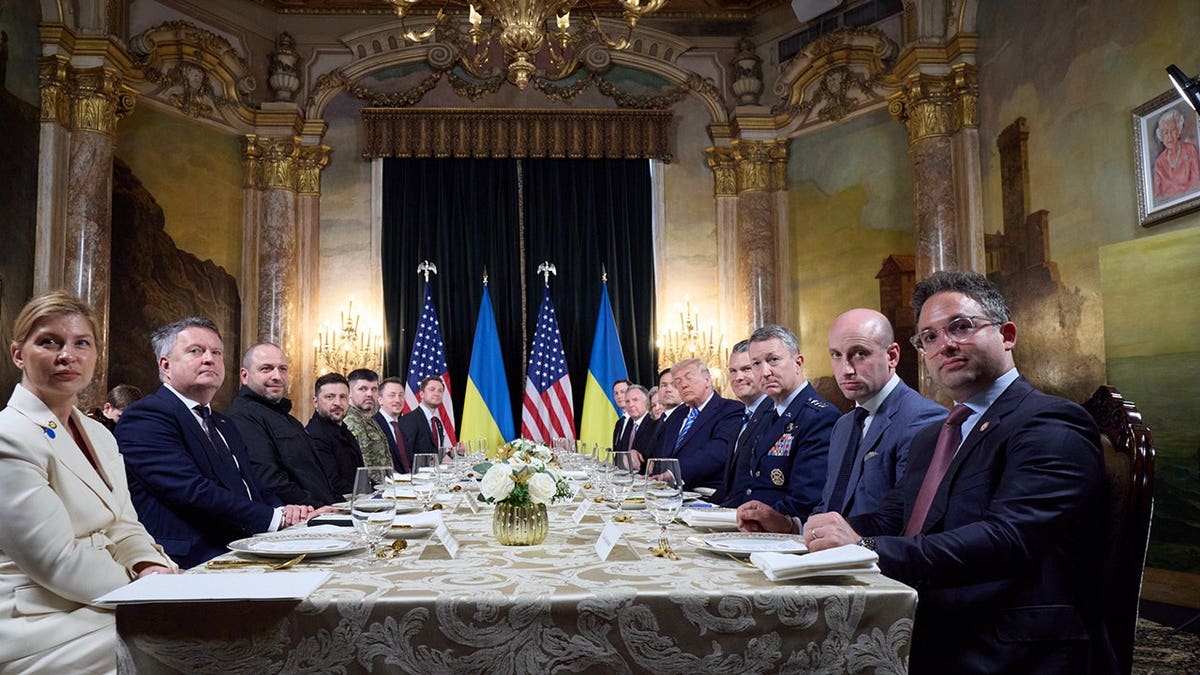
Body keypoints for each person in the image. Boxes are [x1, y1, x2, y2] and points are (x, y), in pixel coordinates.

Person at [798, 271, 1115, 673]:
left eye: (961, 327)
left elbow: (1008, 539)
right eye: (929, 337)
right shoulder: (935, 434)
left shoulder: (1049, 421)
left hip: (1006, 641)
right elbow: (892, 517)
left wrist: (867, 549)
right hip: (933, 613)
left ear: (1007, 335)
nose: (944, 344)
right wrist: (806, 537)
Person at [0, 292, 175, 673]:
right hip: (38, 620)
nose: (68, 355)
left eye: (82, 343)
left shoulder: (100, 435)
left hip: (101, 599)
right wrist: (143, 589)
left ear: (96, 355)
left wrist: (148, 565)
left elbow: (125, 524)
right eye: (49, 342)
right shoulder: (8, 435)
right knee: (189, 646)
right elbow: (55, 560)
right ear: (18, 354)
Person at [115, 317, 317, 569]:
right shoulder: (146, 416)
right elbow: (191, 490)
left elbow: (251, 487)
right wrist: (275, 518)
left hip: (243, 544)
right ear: (165, 366)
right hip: (188, 558)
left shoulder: (222, 422)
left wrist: (292, 512)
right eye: (195, 351)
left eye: (216, 352)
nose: (209, 359)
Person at [737, 309, 945, 531]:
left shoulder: (924, 419)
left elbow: (906, 522)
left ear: (892, 356)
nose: (845, 370)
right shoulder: (844, 425)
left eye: (859, 354)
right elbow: (829, 507)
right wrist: (789, 524)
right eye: (836, 355)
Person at [723, 325, 838, 516]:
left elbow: (805, 500)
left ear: (798, 363)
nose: (765, 372)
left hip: (783, 532)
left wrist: (752, 519)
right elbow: (750, 487)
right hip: (751, 525)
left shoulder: (819, 416)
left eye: (773, 360)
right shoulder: (767, 414)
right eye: (756, 364)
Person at [226, 343, 341, 507]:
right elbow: (268, 481)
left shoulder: (286, 417)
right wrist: (317, 507)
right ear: (245, 376)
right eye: (266, 369)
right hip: (300, 519)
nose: (277, 376)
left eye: (283, 369)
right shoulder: (242, 416)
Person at [652, 358, 743, 491]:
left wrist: (674, 474)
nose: (683, 385)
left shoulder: (730, 410)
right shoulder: (677, 415)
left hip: (706, 494)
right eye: (678, 382)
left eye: (689, 378)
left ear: (707, 380)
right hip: (666, 493)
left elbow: (717, 452)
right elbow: (661, 453)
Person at [717, 340, 769, 504]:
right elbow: (730, 486)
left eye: (747, 369)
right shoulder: (742, 418)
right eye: (733, 371)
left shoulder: (774, 415)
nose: (738, 377)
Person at [305, 372, 364, 495]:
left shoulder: (344, 430)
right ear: (315, 402)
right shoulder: (315, 436)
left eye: (343, 397)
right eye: (330, 397)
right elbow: (332, 483)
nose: (337, 403)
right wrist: (367, 494)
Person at [343, 368, 392, 470]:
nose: (370, 394)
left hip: (384, 484)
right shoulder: (350, 422)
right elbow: (362, 469)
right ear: (349, 392)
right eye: (363, 389)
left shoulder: (368, 419)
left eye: (374, 389)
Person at [1152, 106, 1200, 200]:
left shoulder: (1190, 150)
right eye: (1165, 133)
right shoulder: (1159, 163)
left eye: (1173, 130)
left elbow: (1197, 182)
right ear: (1161, 137)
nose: (1169, 136)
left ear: (1179, 131)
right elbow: (1157, 196)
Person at [398, 375, 448, 459]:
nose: (437, 393)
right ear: (421, 394)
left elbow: (436, 454)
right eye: (432, 389)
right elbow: (405, 455)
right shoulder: (410, 419)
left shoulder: (437, 422)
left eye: (440, 391)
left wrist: (455, 453)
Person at [618, 384, 657, 470]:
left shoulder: (655, 423)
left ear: (646, 401)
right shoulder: (627, 424)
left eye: (635, 400)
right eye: (627, 401)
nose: (631, 405)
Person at [374, 376, 410, 471]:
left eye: (401, 395)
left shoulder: (403, 425)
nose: (398, 400)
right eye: (392, 395)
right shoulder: (373, 425)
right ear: (380, 400)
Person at [610, 378, 632, 451]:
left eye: (622, 392)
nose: (619, 396)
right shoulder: (619, 423)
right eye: (616, 393)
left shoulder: (638, 421)